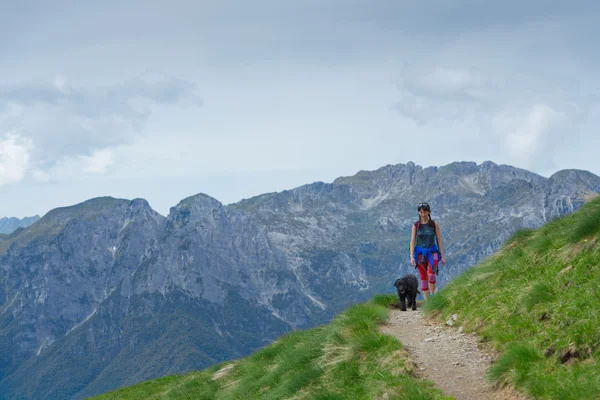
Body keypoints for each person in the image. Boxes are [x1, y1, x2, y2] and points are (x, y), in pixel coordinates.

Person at [409, 202, 446, 300]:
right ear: (419, 213)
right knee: (423, 276)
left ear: (429, 212)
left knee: (431, 274)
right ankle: (427, 301)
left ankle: (432, 295)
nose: (423, 214)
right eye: (421, 212)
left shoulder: (434, 224)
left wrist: (442, 256)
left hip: (432, 252)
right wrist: (411, 256)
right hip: (420, 253)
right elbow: (412, 241)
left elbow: (439, 240)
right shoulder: (415, 225)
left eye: (425, 212)